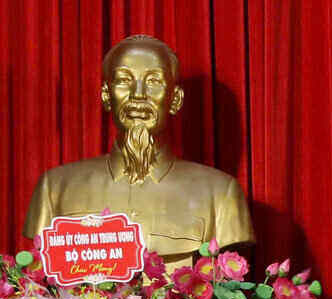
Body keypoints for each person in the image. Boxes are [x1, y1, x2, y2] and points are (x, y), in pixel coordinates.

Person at [24, 34, 254, 261]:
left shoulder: (221, 194)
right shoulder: (54, 188)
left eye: (154, 81)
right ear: (106, 96)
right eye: (124, 80)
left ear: (175, 99)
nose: (138, 95)